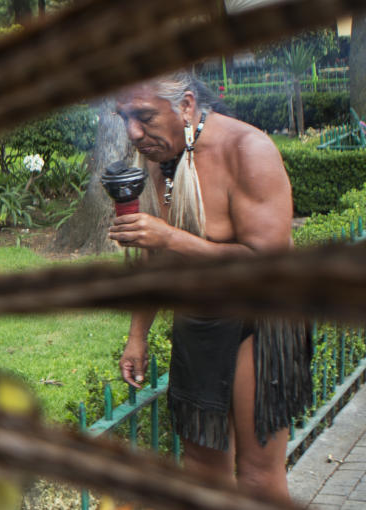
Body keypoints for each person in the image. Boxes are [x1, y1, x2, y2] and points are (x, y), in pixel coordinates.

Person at [109, 72, 311, 503]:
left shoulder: (248, 150)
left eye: (144, 116)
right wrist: (137, 335)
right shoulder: (159, 156)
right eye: (125, 118)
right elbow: (155, 259)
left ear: (184, 106)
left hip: (264, 318)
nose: (134, 132)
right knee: (202, 471)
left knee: (257, 476)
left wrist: (169, 237)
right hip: (199, 320)